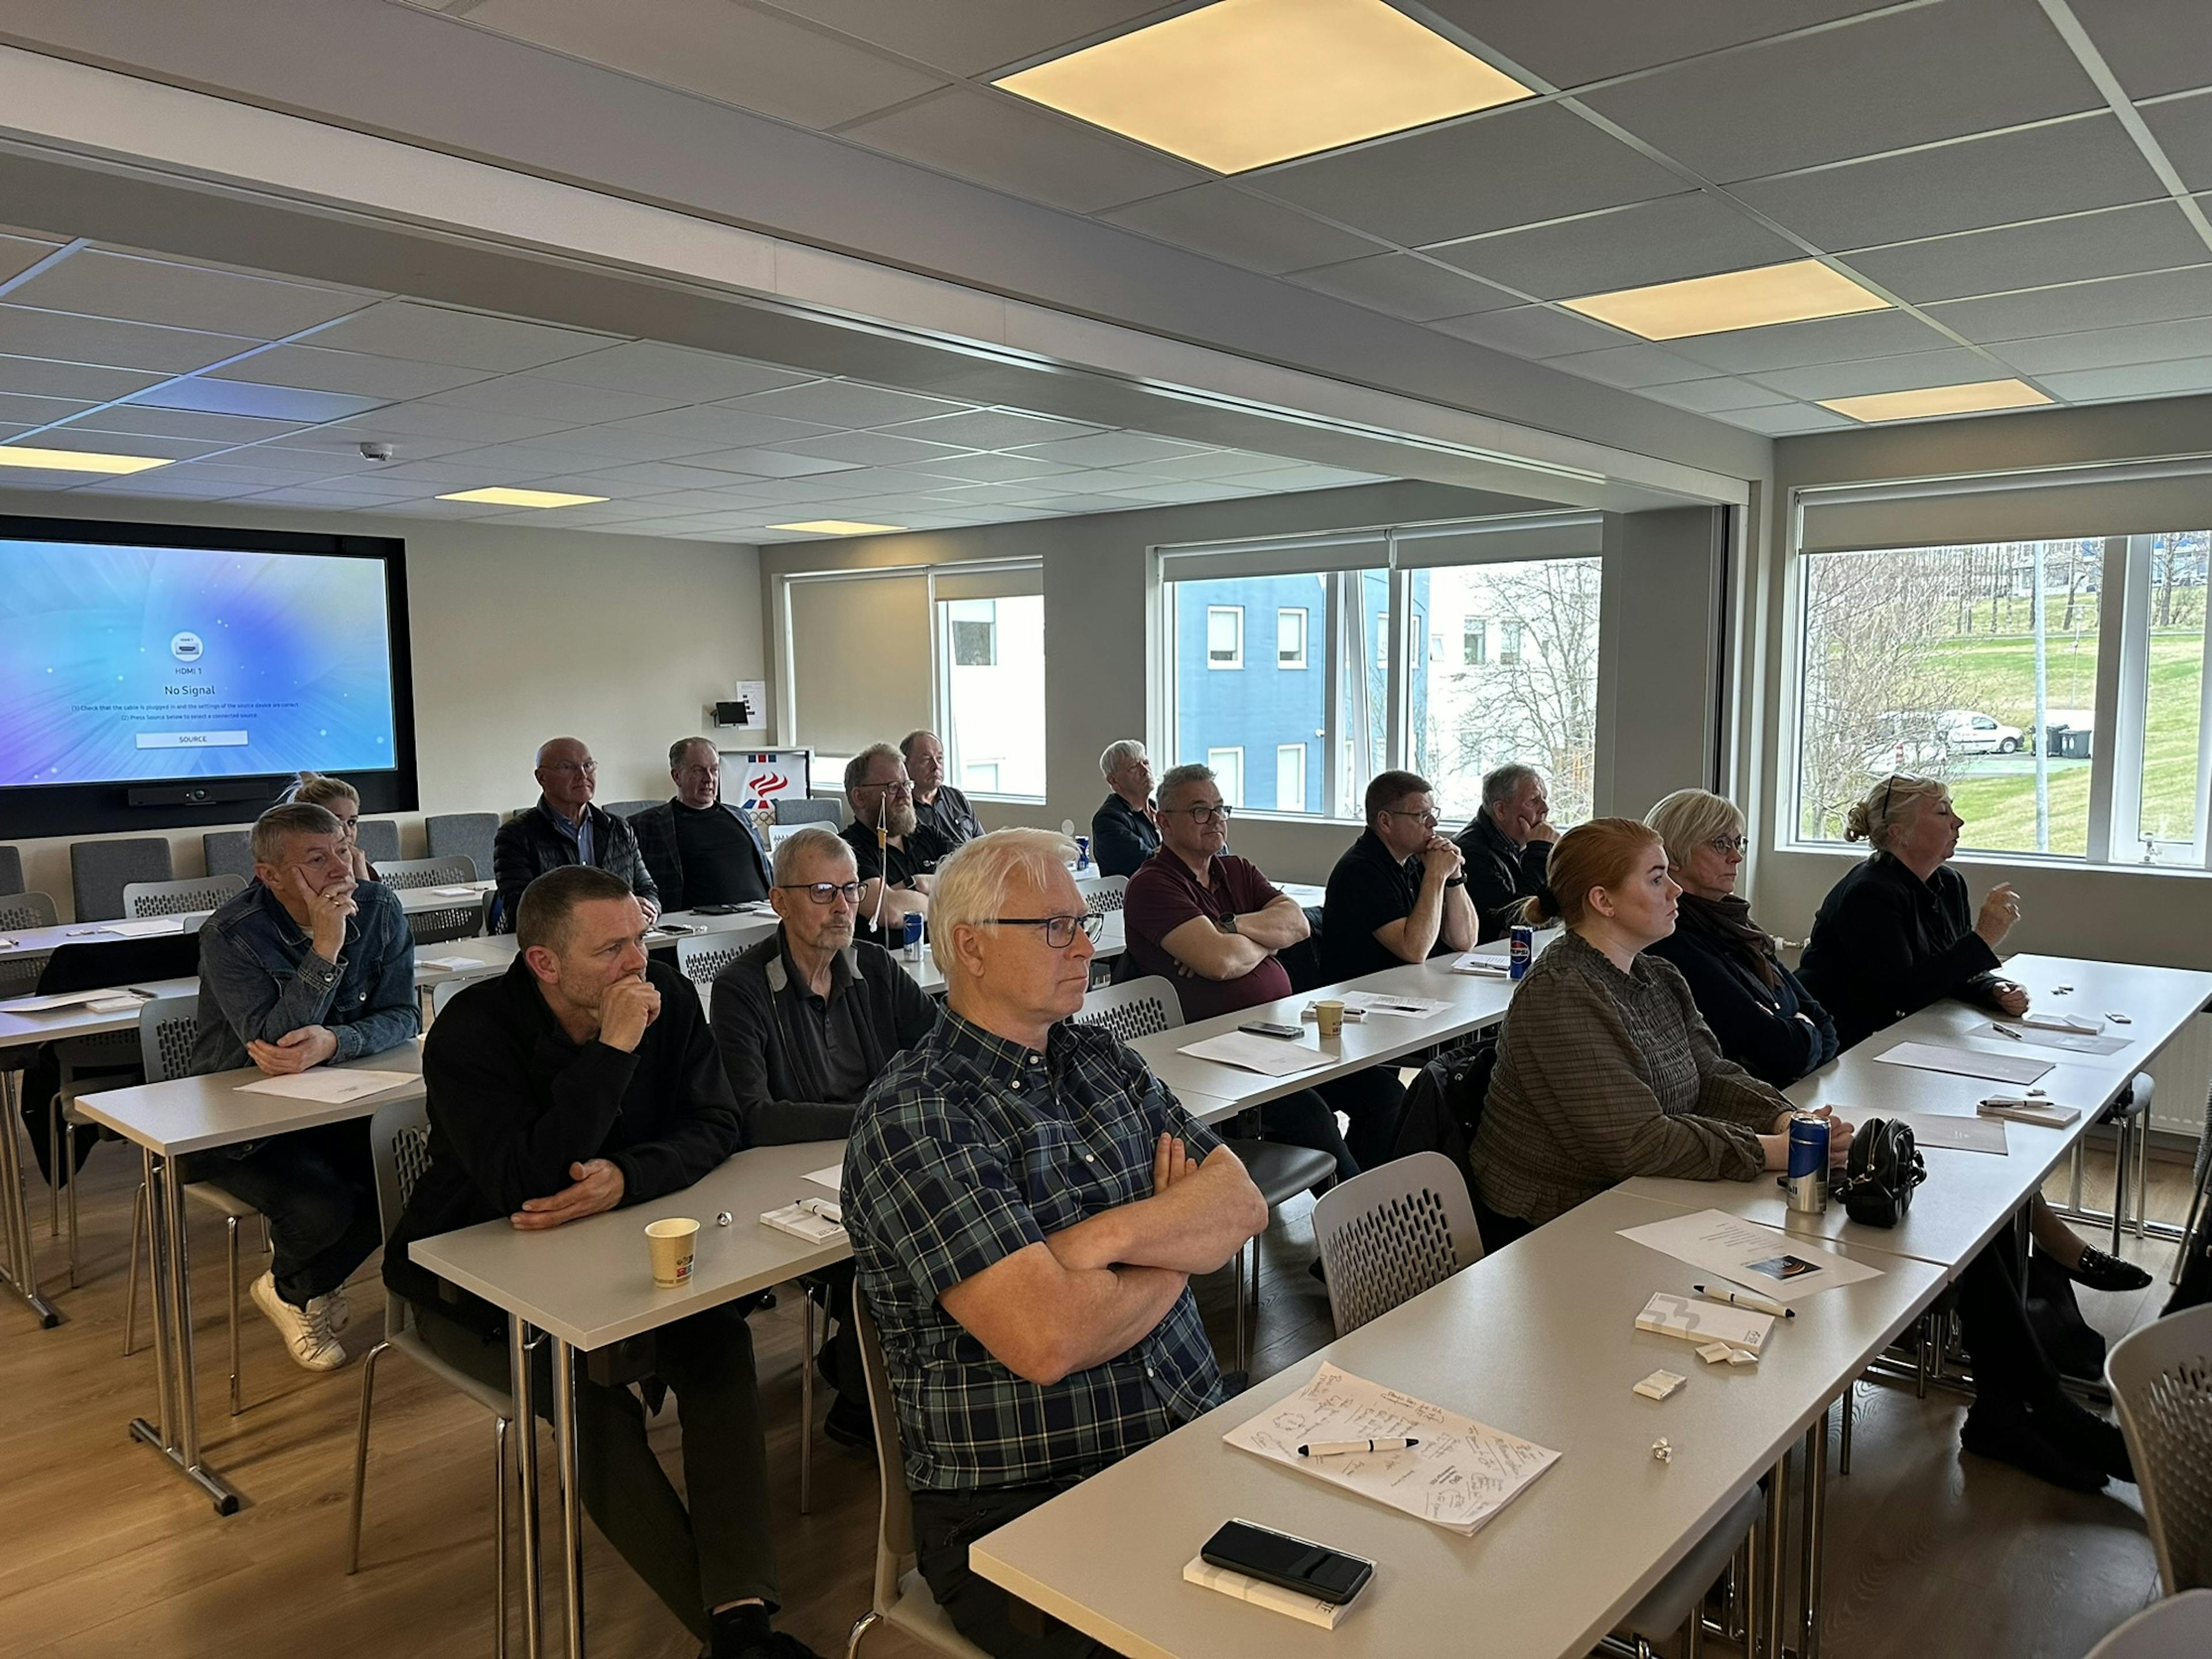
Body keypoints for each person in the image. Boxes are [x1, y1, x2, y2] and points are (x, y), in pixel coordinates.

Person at [844, 830, 1268, 1658]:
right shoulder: (918, 1116)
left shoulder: (1099, 1059)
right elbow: (1050, 1338)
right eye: (1055, 927)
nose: (1085, 946)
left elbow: (1240, 1204)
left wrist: (1101, 1241)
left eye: (1083, 923)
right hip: (1025, 1502)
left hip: (1188, 1431)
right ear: (970, 947)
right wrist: (1174, 1238)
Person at [382, 867, 818, 1659]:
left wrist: (628, 1177)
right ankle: (735, 1641)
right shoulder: (473, 1032)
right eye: (611, 949)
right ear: (545, 963)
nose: (637, 962)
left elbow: (718, 1122)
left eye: (639, 939)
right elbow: (523, 1181)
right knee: (585, 1389)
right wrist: (615, 1050)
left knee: (720, 1346)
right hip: (472, 1281)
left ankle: (740, 1613)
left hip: (621, 1249)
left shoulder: (666, 996)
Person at [1796, 776, 2140, 1488]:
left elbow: (1947, 972)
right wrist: (1984, 943)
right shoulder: (1868, 896)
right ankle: (2034, 1361)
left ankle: (2024, 1375)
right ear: (1898, 832)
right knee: (1979, 1169)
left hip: (1908, 1059)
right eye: (1943, 812)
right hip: (1856, 1072)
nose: (1958, 823)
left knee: (1998, 1148)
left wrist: (1990, 985)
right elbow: (1902, 991)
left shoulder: (1946, 884)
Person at [1468, 819, 1853, 1249]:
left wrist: (1790, 1122)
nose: (1676, 890)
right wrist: (1777, 1151)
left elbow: (1712, 1076)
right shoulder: (1561, 992)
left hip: (1632, 1197)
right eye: (1656, 879)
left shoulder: (1659, 974)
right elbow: (1637, 1143)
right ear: (1603, 901)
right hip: (1550, 1225)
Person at [708, 825, 937, 1446]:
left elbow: (939, 1050)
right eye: (822, 892)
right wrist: (875, 1113)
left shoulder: (875, 967)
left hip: (877, 1158)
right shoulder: (743, 988)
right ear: (779, 901)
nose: (843, 907)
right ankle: (864, 1399)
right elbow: (754, 1117)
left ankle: (864, 1377)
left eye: (851, 890)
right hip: (790, 1182)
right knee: (901, 1256)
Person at [190, 802, 418, 1372]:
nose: (340, 869)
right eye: (317, 860)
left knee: (413, 1178)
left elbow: (403, 1015)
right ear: (269, 875)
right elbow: (275, 1046)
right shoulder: (231, 933)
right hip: (236, 1119)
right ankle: (309, 1284)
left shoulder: (380, 907)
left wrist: (335, 1042)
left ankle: (292, 1288)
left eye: (342, 850)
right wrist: (325, 949)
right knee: (323, 1209)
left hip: (336, 1102)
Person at [1123, 764, 1355, 1183]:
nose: (1215, 819)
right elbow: (1221, 963)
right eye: (1200, 811)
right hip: (1210, 1054)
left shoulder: (1236, 870)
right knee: (1314, 1119)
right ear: (1164, 821)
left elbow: (1298, 926)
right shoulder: (1152, 885)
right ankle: (1357, 1222)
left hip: (1274, 1033)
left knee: (1377, 1091)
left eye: (1220, 808)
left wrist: (1229, 926)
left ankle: (1384, 1201)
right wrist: (1268, 941)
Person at [1642, 789, 1837, 1089]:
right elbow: (1781, 1051)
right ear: (1675, 855)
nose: (1737, 857)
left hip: (1791, 1092)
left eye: (1738, 843)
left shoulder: (1739, 928)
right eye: (1721, 844)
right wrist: (1798, 1025)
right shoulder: (1672, 940)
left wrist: (1796, 1028)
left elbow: (1825, 1024)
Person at [1320, 770, 1477, 983]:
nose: (1433, 823)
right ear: (1386, 822)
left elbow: (1465, 940)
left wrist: (1454, 877)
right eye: (1421, 815)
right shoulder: (1360, 871)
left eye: (1432, 813)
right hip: (1365, 994)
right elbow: (1414, 950)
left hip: (1412, 987)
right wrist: (1436, 875)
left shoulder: (1416, 859)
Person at [491, 736, 660, 933]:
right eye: (567, 767)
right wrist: (614, 911)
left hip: (619, 941)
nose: (582, 775)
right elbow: (523, 912)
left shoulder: (619, 829)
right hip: (554, 946)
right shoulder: (516, 836)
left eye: (588, 765)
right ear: (542, 778)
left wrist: (647, 908)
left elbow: (648, 889)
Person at [630, 737, 774, 911]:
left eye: (714, 770)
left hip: (762, 914)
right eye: (698, 770)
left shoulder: (741, 816)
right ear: (677, 776)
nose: (709, 778)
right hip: (697, 922)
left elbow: (767, 870)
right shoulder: (646, 825)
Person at [840, 743, 938, 945]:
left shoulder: (928, 835)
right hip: (886, 961)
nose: (905, 795)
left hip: (942, 956)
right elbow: (888, 911)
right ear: (859, 797)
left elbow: (975, 884)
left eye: (907, 785)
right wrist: (949, 903)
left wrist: (916, 883)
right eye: (893, 787)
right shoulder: (846, 850)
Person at [1455, 763, 1558, 941]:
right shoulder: (1471, 853)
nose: (1545, 808)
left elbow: (1563, 908)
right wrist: (1540, 853)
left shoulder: (1521, 844)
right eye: (1533, 801)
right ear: (1501, 810)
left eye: (1545, 798)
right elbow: (1517, 920)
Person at [285, 771, 381, 881]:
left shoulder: (364, 868)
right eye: (336, 822)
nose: (347, 832)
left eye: (351, 822)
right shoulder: (296, 872)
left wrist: (362, 876)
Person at [902, 729, 983, 858]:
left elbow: (983, 844)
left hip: (973, 866)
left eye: (939, 758)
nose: (936, 766)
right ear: (905, 765)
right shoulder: (902, 807)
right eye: (926, 760)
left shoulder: (957, 798)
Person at [1090, 740, 1160, 878]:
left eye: (1146, 763)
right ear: (1114, 780)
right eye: (1133, 767)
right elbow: (1150, 863)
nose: (1145, 771)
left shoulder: (1161, 810)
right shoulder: (1108, 820)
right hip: (1141, 890)